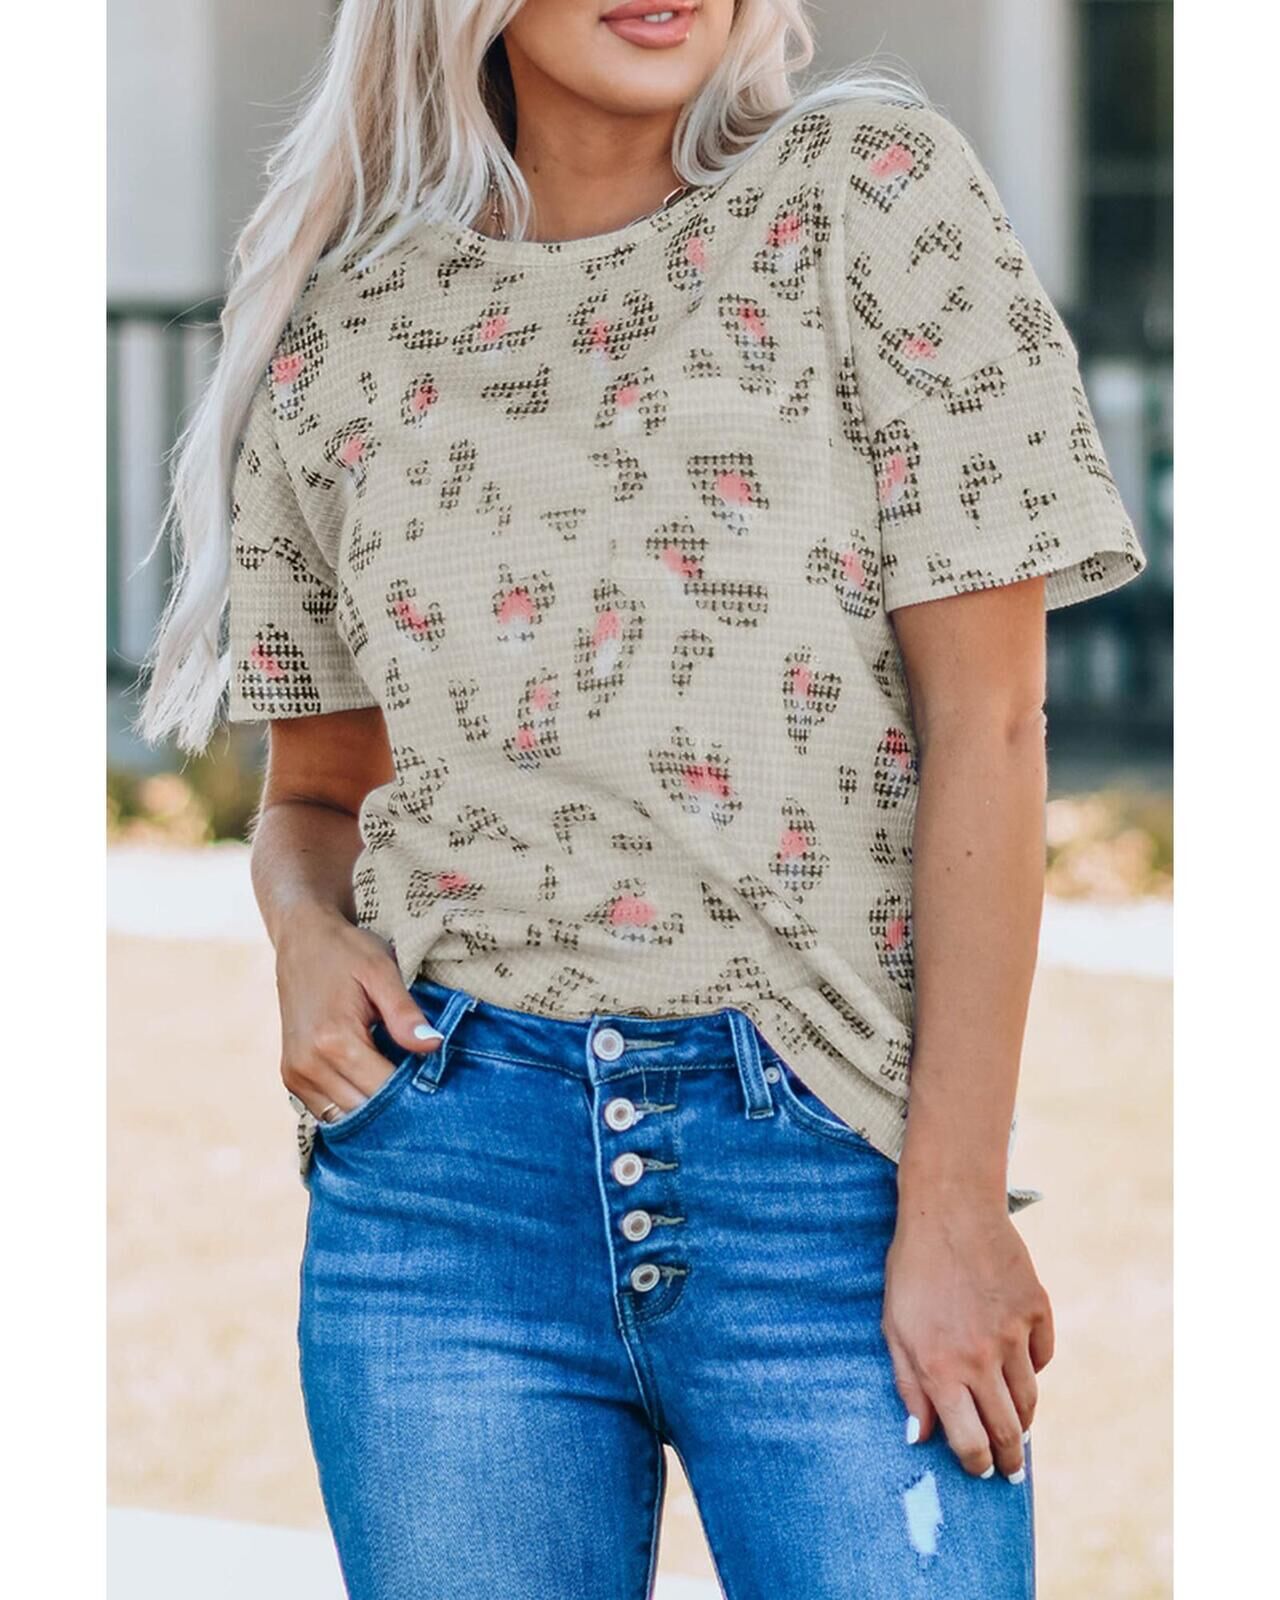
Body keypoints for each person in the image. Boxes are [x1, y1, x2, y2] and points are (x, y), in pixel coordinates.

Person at [138, 3, 1147, 1595]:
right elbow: (314, 798)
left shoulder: (867, 195)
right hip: (449, 1198)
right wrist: (302, 933)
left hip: (827, 1177)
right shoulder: (350, 329)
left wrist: (954, 1201)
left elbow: (994, 728)